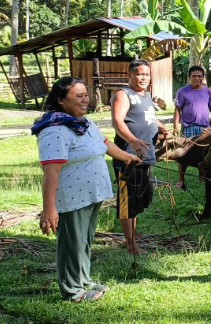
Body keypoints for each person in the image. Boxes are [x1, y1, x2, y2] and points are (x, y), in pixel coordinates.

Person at [34, 77, 140, 302]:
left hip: (91, 195)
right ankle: (73, 291)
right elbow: (51, 172)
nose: (85, 100)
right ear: (61, 100)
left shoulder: (84, 123)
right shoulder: (54, 130)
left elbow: (105, 144)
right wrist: (49, 209)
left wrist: (127, 156)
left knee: (84, 241)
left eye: (86, 95)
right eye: (78, 96)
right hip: (72, 198)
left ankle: (84, 281)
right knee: (72, 244)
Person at [110, 60, 169, 255]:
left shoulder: (146, 96)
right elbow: (117, 122)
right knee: (127, 200)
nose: (144, 77)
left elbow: (150, 116)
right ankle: (131, 245)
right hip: (128, 156)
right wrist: (133, 140)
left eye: (147, 74)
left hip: (145, 155)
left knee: (139, 197)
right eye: (139, 74)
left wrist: (162, 128)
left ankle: (133, 233)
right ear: (129, 75)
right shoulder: (123, 95)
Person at [173, 65, 211, 189]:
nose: (197, 79)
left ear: (203, 77)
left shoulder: (207, 91)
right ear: (189, 77)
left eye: (199, 76)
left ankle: (202, 175)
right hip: (188, 126)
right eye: (194, 76)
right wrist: (176, 126)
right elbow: (177, 110)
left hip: (204, 128)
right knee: (183, 153)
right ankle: (181, 179)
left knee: (204, 153)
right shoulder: (182, 91)